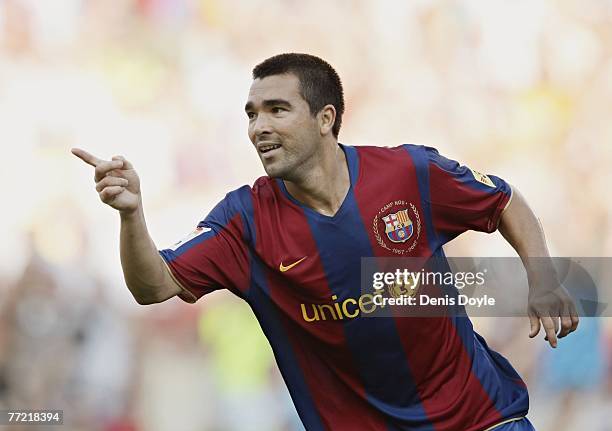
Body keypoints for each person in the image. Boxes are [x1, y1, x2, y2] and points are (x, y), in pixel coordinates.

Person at [72, 53, 579, 431]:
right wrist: (132, 216)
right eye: (251, 114)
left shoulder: (407, 173)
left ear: (325, 118)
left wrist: (543, 278)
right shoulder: (243, 221)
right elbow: (153, 286)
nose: (258, 127)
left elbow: (502, 200)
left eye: (276, 110)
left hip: (482, 418)